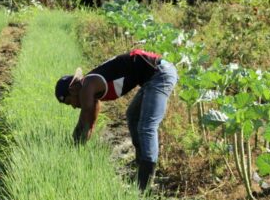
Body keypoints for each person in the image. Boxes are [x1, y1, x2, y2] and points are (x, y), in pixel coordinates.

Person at [54, 49, 179, 191]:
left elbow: (84, 118)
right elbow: (89, 124)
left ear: (72, 90)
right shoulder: (91, 90)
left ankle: (144, 184)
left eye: (69, 102)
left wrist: (73, 141)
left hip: (160, 74)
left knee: (147, 127)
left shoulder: (87, 85)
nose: (73, 107)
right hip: (151, 78)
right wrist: (75, 152)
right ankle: (141, 166)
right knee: (133, 115)